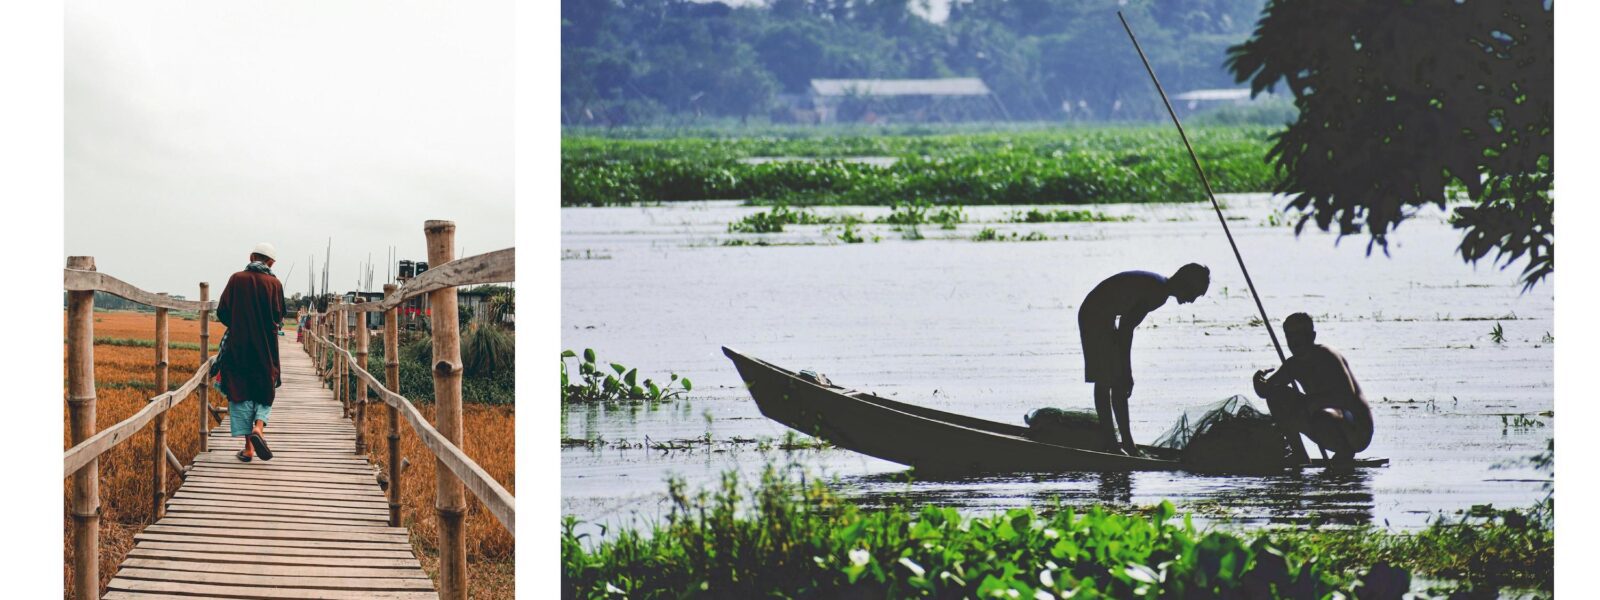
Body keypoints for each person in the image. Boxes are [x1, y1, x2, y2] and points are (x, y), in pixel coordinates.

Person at [1078, 264, 1210, 456]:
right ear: (1185, 284)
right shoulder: (1158, 292)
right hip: (1094, 314)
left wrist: (1124, 373)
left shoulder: (1160, 290)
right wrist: (1127, 372)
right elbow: (1125, 329)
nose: (1192, 300)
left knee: (1116, 381)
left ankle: (1125, 443)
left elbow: (1124, 328)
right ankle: (1114, 444)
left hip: (1103, 315)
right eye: (1195, 294)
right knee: (1106, 380)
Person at [1252, 313, 1374, 464]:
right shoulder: (1292, 365)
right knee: (1277, 395)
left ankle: (1344, 453)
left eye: (1299, 334)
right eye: (1290, 335)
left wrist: (1310, 402)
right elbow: (1265, 391)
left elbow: (1346, 396)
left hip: (1354, 429)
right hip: (1321, 423)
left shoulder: (1327, 355)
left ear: (1312, 336)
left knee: (1322, 415)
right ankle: (1300, 454)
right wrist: (1258, 382)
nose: (1294, 340)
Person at [217, 242, 287, 462]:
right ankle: (259, 428)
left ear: (251, 257)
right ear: (271, 262)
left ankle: (248, 448)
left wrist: (238, 324)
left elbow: (222, 312)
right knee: (265, 386)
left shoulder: (236, 279)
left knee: (240, 390)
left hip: (238, 345)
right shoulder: (274, 284)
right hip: (266, 346)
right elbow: (279, 316)